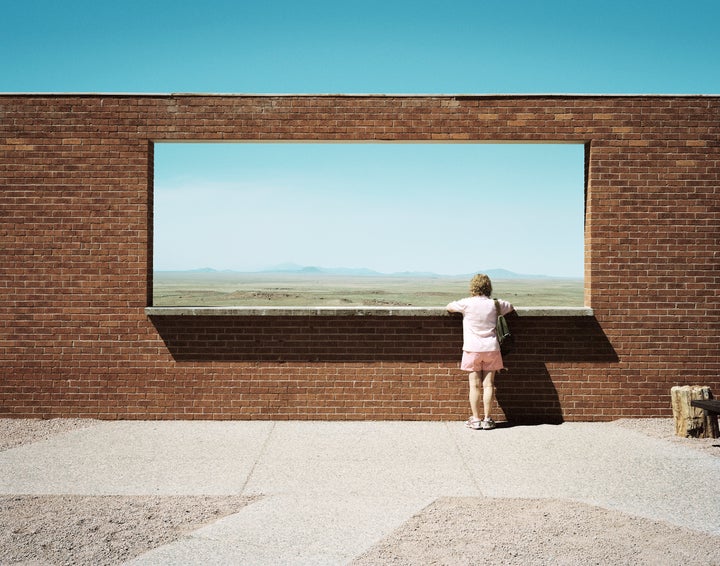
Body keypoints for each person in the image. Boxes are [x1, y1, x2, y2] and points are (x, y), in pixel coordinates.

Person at [446, 274, 514, 430]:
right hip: (492, 348)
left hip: (472, 349)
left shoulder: (466, 304)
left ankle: (476, 419)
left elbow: (449, 306)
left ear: (473, 287)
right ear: (488, 287)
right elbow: (510, 307)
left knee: (474, 386)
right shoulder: (495, 304)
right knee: (489, 385)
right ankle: (488, 419)